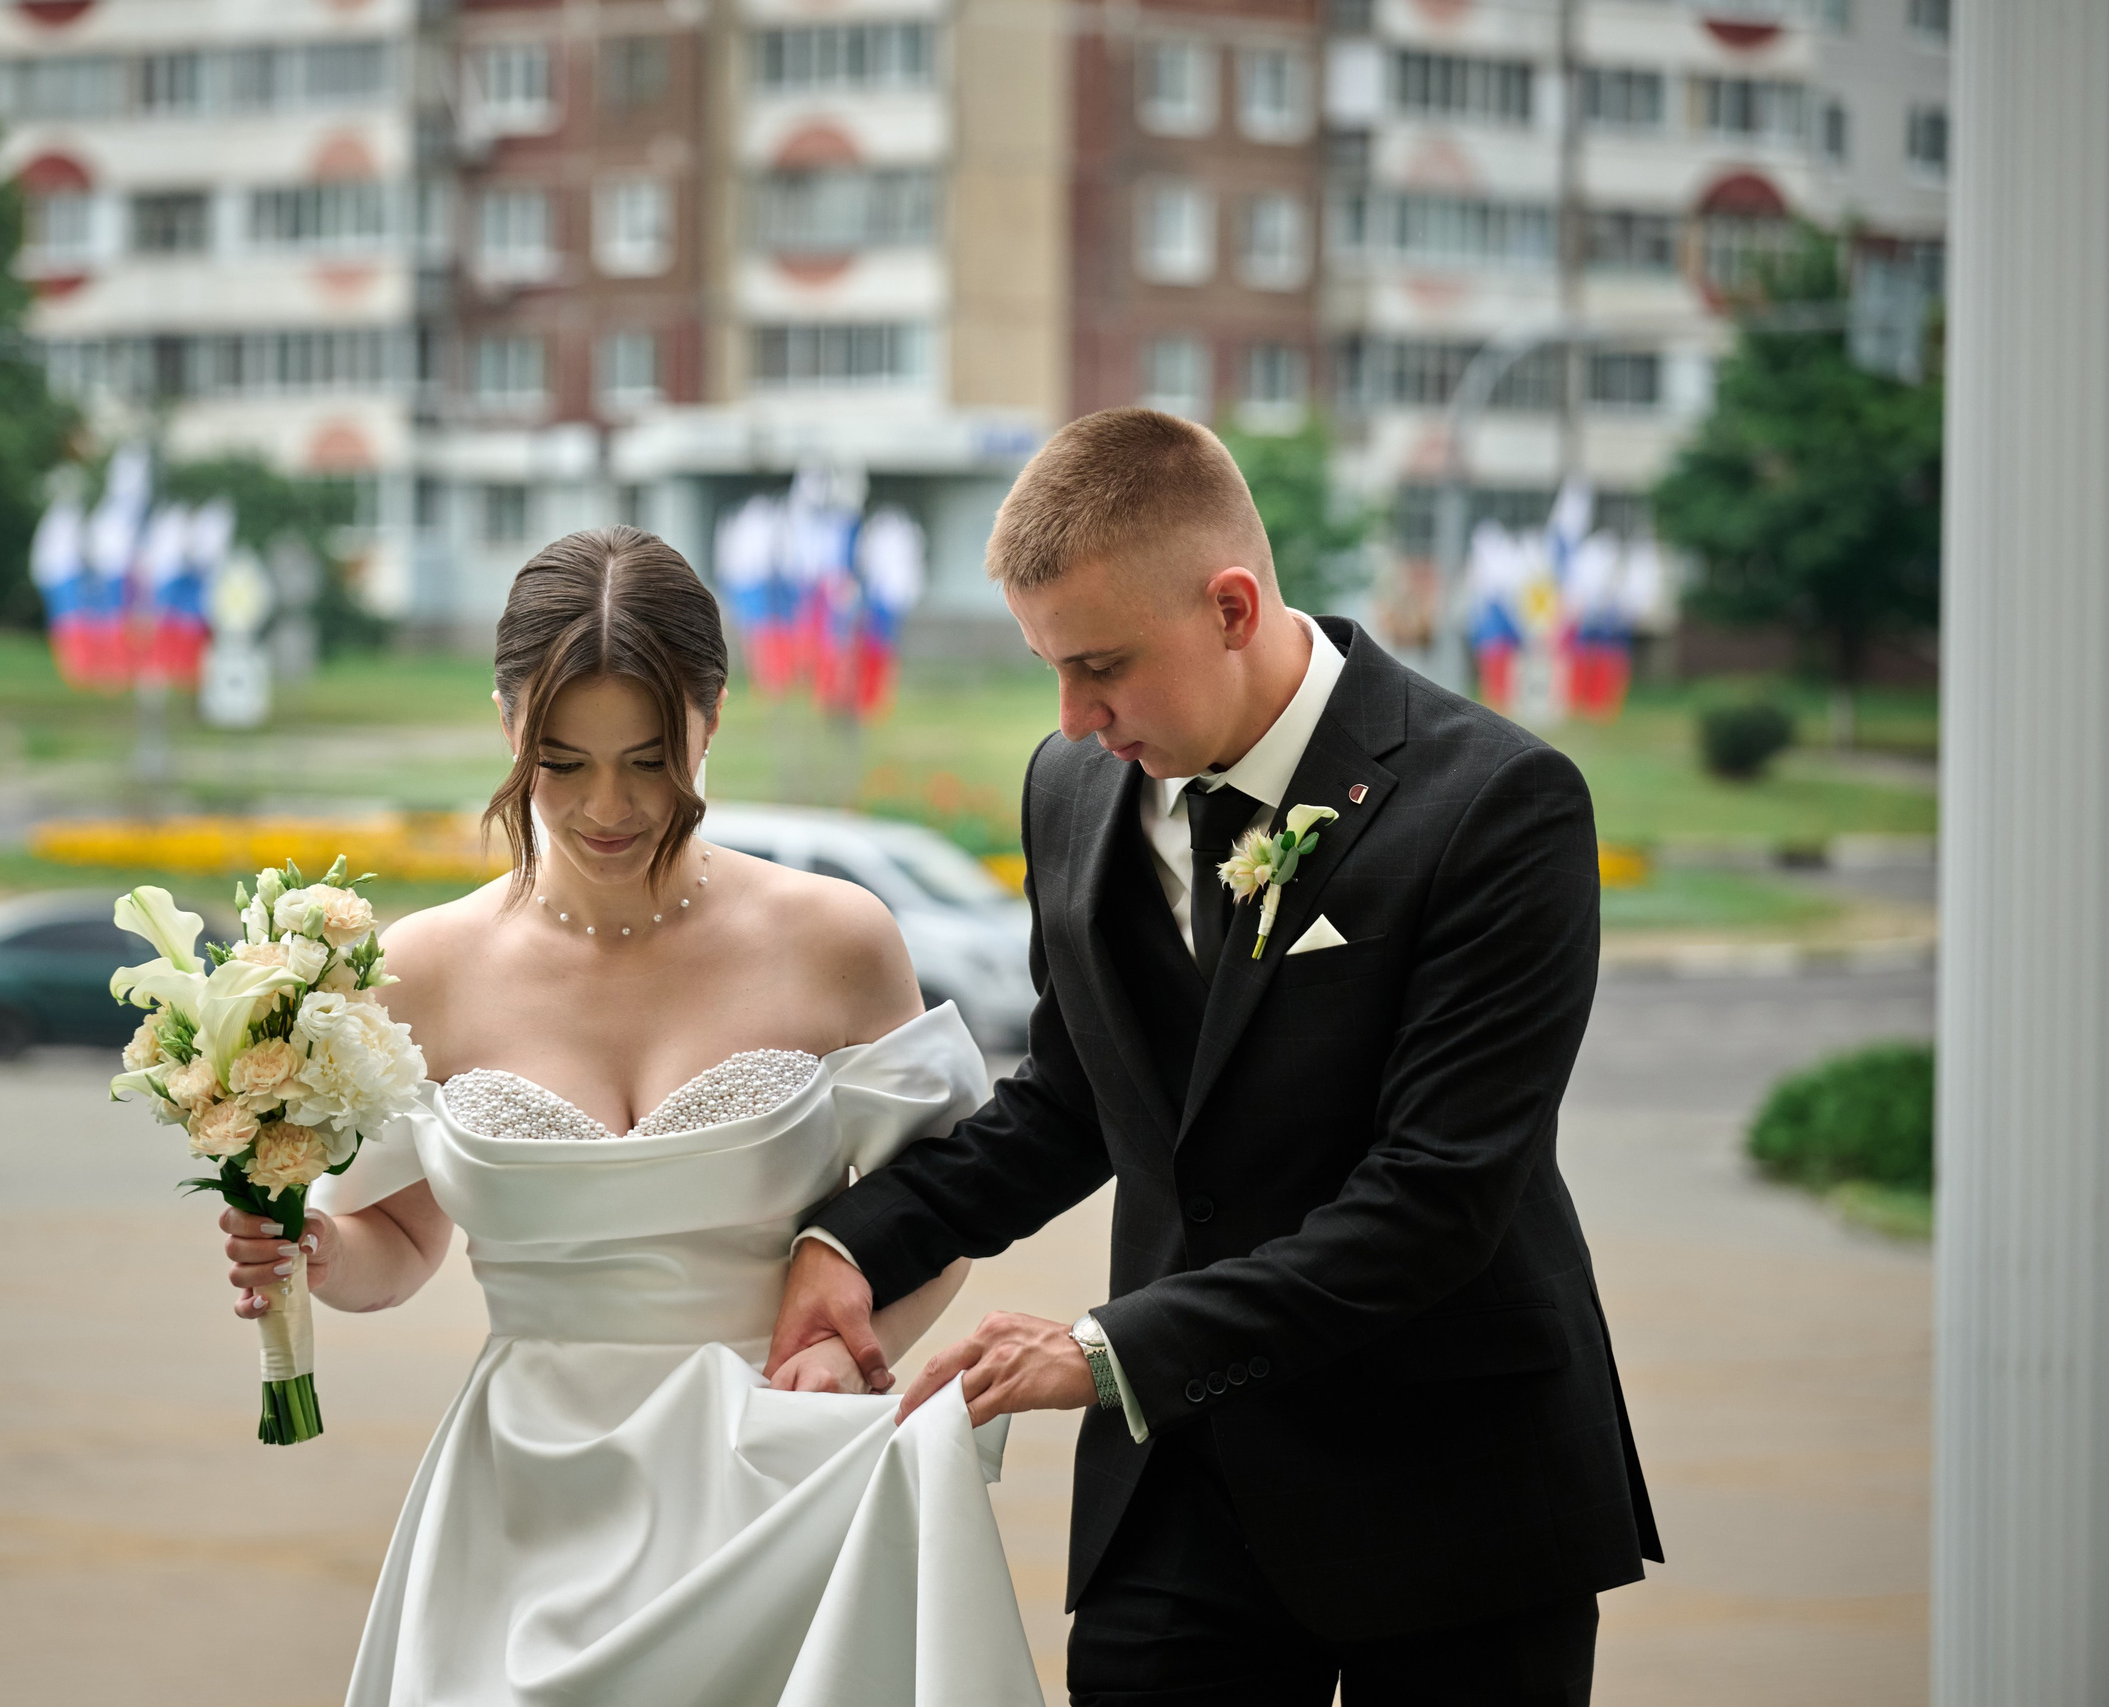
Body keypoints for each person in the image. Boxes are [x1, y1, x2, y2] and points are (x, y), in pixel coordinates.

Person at [768, 408, 1661, 1706]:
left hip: (1458, 1491)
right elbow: (1076, 1098)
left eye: (1104, 666)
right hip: (1183, 1490)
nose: (1074, 718)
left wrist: (1107, 1346)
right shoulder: (1073, 789)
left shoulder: (1498, 805)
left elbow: (1434, 1199)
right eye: (1050, 669)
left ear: (1233, 605)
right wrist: (854, 1241)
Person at [216, 526, 1043, 1707]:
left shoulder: (837, 940)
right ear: (508, 727)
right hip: (522, 1513)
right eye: (561, 763)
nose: (608, 807)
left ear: (710, 718)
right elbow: (397, 1247)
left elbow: (944, 1218)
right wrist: (310, 1253)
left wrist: (840, 1365)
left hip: (775, 1488)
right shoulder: (418, 967)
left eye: (651, 761)